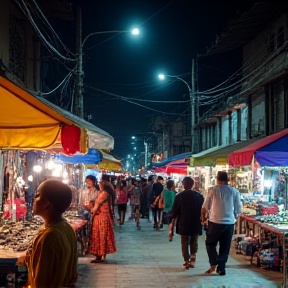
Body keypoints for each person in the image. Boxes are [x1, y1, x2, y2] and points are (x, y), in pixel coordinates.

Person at [18, 179, 78, 288]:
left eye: (37, 195)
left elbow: (40, 281)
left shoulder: (49, 236)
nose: (34, 199)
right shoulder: (67, 228)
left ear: (46, 204)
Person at [201, 171, 242, 276]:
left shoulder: (212, 190)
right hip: (229, 223)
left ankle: (214, 262)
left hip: (214, 222)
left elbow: (205, 207)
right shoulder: (234, 191)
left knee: (210, 243)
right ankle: (221, 268)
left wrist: (204, 219)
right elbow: (238, 209)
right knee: (225, 246)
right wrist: (234, 217)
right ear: (227, 180)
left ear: (217, 179)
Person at [169, 177, 204, 270]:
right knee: (194, 241)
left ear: (184, 184)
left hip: (183, 223)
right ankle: (193, 257)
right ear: (192, 185)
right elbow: (203, 211)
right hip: (196, 223)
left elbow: (174, 212)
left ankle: (186, 260)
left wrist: (171, 221)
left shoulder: (179, 196)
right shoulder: (199, 196)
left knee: (184, 242)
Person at [89, 180, 117, 263]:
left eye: (100, 185)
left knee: (100, 236)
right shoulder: (105, 193)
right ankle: (100, 255)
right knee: (102, 235)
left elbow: (96, 205)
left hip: (101, 217)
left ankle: (101, 255)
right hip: (103, 216)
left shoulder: (103, 194)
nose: (99, 186)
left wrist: (91, 210)